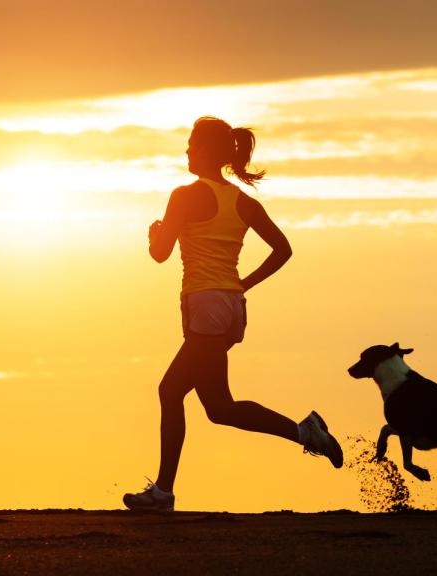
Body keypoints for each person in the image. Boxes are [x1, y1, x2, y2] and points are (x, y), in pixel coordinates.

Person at [123, 116, 343, 512]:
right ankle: (304, 433)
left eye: (190, 144)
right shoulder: (243, 202)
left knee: (173, 392)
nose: (186, 151)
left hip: (205, 305)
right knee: (218, 407)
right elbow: (283, 250)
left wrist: (154, 234)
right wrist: (244, 284)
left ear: (205, 149)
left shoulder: (184, 195)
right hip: (231, 309)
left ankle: (163, 492)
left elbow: (160, 254)